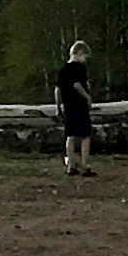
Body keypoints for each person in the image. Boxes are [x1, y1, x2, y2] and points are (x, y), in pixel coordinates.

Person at [54, 40, 96, 177]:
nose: (85, 60)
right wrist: (87, 97)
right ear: (79, 53)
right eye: (85, 57)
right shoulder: (79, 68)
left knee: (70, 136)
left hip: (68, 105)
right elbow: (77, 85)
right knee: (85, 136)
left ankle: (70, 165)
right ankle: (84, 165)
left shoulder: (63, 69)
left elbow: (57, 90)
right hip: (79, 104)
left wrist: (58, 106)